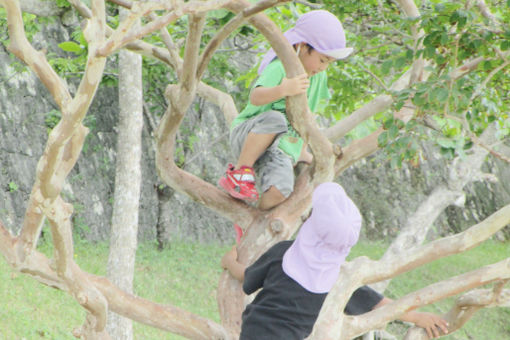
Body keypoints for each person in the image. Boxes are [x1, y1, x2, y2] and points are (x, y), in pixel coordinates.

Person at [221, 182, 449, 340]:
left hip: (253, 332)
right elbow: (377, 304)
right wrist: (417, 316)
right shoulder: (339, 278)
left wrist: (229, 261)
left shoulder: (284, 253)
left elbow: (247, 278)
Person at [218, 10, 353, 219]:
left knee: (280, 192)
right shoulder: (280, 66)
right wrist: (283, 89)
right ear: (301, 46)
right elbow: (256, 96)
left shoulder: (318, 78)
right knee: (275, 118)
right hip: (250, 136)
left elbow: (306, 117)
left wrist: (301, 150)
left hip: (280, 150)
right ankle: (239, 173)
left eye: (329, 62)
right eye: (322, 59)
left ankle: (253, 220)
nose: (323, 67)